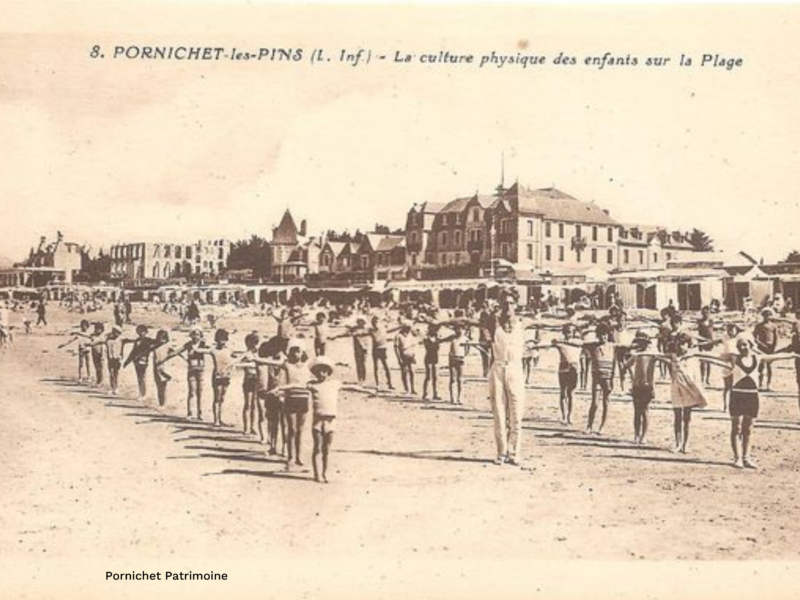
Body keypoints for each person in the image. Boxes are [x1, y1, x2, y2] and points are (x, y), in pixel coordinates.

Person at [727, 339, 798, 468]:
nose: (743, 348)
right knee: (736, 428)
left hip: (752, 396)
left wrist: (792, 355)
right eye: (740, 346)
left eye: (745, 345)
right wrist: (694, 354)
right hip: (737, 395)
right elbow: (711, 358)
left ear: (751, 346)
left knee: (748, 429)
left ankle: (746, 457)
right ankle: (737, 458)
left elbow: (775, 357)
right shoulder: (733, 359)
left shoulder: (758, 358)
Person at [277, 339, 312, 470]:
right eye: (293, 351)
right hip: (290, 398)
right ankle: (290, 457)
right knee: (291, 429)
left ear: (303, 352)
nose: (296, 353)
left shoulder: (308, 365)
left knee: (300, 430)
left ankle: (299, 456)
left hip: (303, 399)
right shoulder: (287, 365)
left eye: (298, 351)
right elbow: (272, 364)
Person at [308, 356, 342, 483]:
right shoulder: (312, 385)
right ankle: (317, 474)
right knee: (317, 447)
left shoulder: (335, 384)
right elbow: (296, 386)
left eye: (324, 371)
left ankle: (325, 473)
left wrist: (366, 390)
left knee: (327, 449)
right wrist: (280, 389)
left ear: (329, 372)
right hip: (318, 421)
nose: (322, 374)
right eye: (319, 371)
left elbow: (351, 387)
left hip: (331, 421)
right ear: (315, 373)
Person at [625, 331, 658, 445]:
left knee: (645, 411)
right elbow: (626, 365)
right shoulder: (636, 355)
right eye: (640, 342)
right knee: (637, 411)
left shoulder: (652, 355)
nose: (642, 344)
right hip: (637, 386)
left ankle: (644, 436)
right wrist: (632, 377)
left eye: (644, 342)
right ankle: (636, 434)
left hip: (647, 385)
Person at [122, 324, 155, 399]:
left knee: (142, 377)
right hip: (136, 361)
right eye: (139, 331)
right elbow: (133, 352)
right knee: (139, 377)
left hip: (144, 360)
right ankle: (141, 393)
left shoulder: (148, 340)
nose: (141, 333)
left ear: (146, 332)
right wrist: (127, 361)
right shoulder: (137, 340)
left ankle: (144, 394)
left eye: (142, 331)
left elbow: (157, 343)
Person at [753, 309, 779, 390]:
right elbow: (754, 337)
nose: (767, 317)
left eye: (769, 315)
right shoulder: (759, 326)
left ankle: (769, 385)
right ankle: (760, 384)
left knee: (769, 367)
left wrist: (774, 348)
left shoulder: (773, 326)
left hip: (770, 349)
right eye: (765, 315)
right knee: (761, 367)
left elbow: (776, 338)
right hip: (761, 348)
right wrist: (760, 344)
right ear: (763, 316)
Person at [368, 315, 396, 390]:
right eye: (374, 322)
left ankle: (390, 383)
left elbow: (394, 329)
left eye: (376, 322)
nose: (375, 324)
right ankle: (378, 384)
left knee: (386, 367)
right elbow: (360, 333)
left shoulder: (383, 329)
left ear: (379, 322)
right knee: (376, 367)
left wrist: (402, 326)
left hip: (383, 349)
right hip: (375, 350)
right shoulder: (371, 330)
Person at [447, 324, 469, 405]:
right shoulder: (452, 337)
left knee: (460, 379)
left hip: (461, 359)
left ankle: (460, 397)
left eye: (461, 329)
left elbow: (467, 350)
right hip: (452, 359)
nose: (459, 331)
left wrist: (463, 356)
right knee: (453, 379)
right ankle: (453, 398)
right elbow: (443, 340)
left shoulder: (465, 339)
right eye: (457, 329)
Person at [393, 321, 417, 396]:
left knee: (412, 372)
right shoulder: (398, 336)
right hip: (403, 355)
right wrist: (399, 358)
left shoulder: (411, 335)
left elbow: (414, 345)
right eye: (408, 328)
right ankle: (407, 389)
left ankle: (413, 388)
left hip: (411, 355)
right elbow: (396, 348)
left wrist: (414, 354)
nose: (409, 329)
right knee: (404, 372)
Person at [697, 306, 716, 386]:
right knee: (702, 362)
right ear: (702, 313)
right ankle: (702, 378)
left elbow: (712, 332)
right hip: (702, 343)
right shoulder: (699, 322)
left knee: (709, 362)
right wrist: (700, 343)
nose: (706, 314)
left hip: (710, 343)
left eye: (707, 313)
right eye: (704, 313)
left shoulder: (711, 321)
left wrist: (713, 341)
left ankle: (707, 379)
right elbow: (699, 333)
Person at [105, 326, 124, 395]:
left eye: (118, 332)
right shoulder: (108, 339)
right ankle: (112, 387)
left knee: (116, 373)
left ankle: (116, 388)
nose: (117, 334)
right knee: (111, 373)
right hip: (110, 358)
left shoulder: (121, 339)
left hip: (117, 359)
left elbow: (131, 339)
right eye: (115, 332)